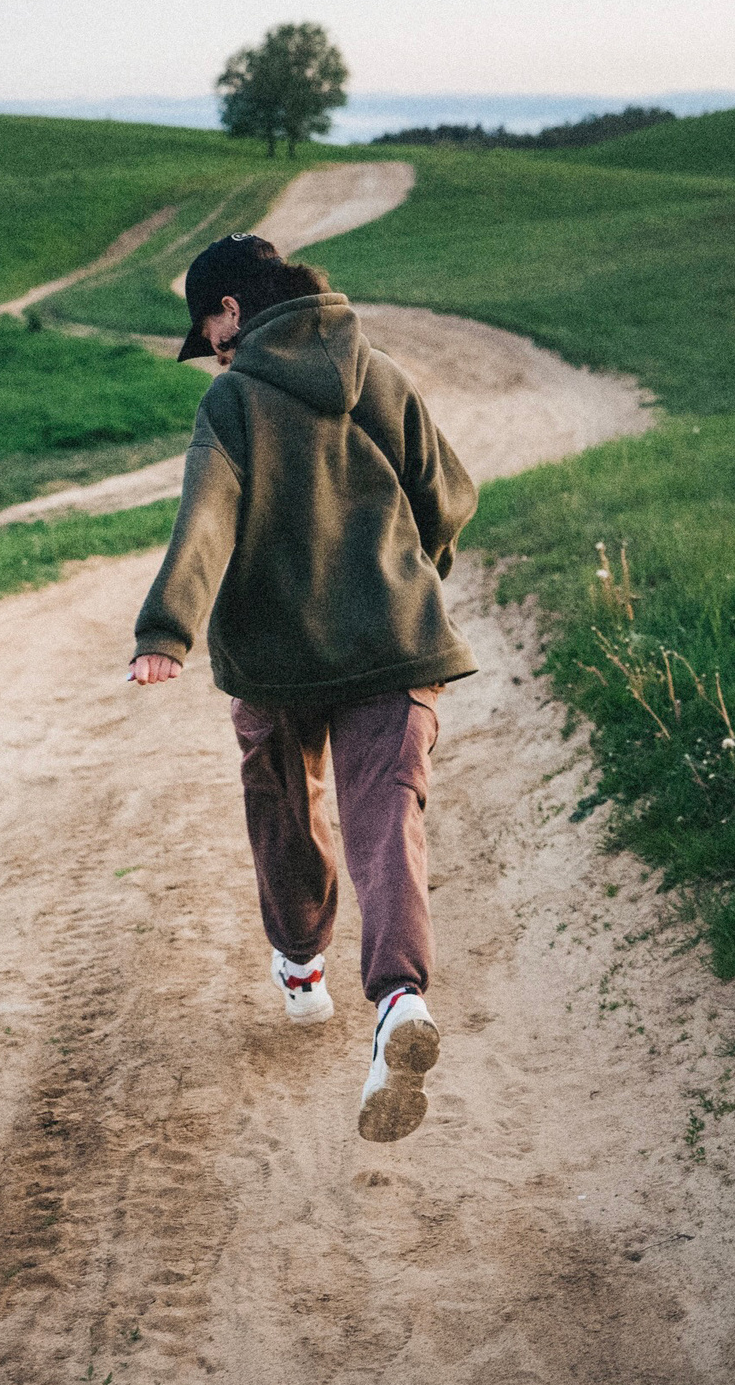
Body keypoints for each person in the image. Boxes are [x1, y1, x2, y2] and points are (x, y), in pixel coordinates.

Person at [127, 233, 476, 1143]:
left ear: (233, 310)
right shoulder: (379, 370)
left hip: (277, 660)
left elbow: (206, 516)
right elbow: (448, 495)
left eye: (209, 331)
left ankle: (301, 961)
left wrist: (167, 628)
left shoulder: (233, 401)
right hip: (399, 641)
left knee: (284, 802)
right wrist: (411, 569)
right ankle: (399, 998)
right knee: (385, 811)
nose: (214, 351)